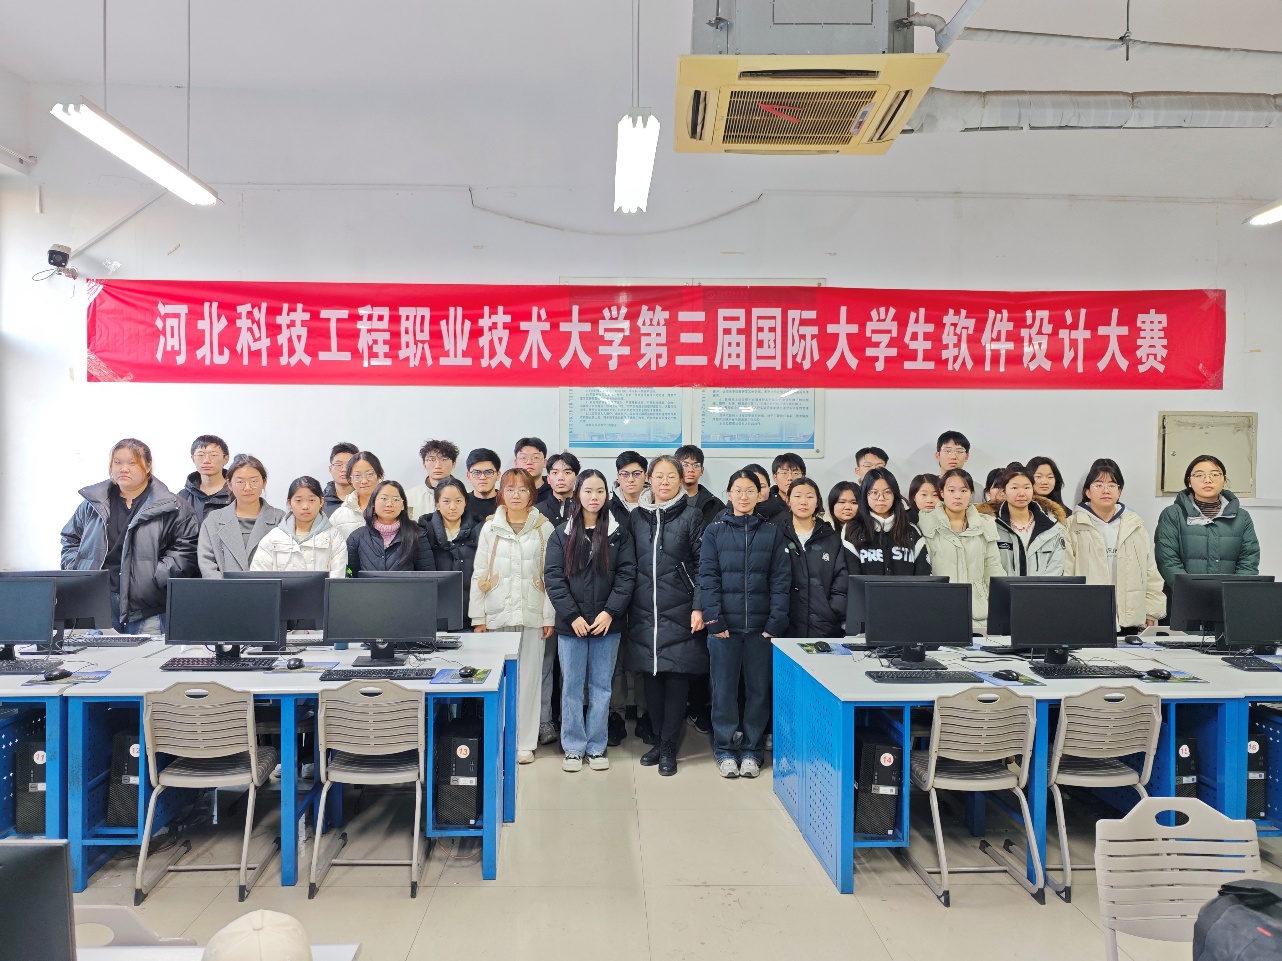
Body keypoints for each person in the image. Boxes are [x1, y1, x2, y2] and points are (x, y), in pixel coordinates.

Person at [544, 469, 637, 772]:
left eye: (599, 491)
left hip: (607, 624)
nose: (594, 497)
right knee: (571, 687)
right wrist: (572, 615)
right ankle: (573, 747)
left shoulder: (619, 534)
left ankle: (596, 747)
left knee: (601, 687)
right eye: (588, 491)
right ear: (577, 494)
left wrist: (610, 612)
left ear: (607, 495)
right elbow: (553, 579)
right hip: (571, 626)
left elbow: (627, 577)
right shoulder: (561, 534)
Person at [700, 469, 791, 779]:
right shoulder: (714, 532)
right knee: (723, 692)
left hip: (761, 630)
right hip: (723, 629)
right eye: (737, 490)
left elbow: (781, 580)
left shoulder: (772, 532)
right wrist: (714, 619)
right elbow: (707, 578)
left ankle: (752, 750)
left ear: (759, 495)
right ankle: (725, 749)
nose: (743, 496)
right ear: (729, 494)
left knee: (758, 692)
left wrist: (775, 622)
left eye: (750, 490)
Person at [60, 438, 199, 634]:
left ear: (148, 466)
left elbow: (187, 550)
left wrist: (155, 576)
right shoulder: (93, 504)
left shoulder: (173, 506)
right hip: (99, 606)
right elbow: (70, 539)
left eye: (132, 463)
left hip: (148, 607)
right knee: (97, 654)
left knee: (148, 654)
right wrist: (78, 568)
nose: (123, 469)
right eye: (117, 462)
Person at [626, 455, 706, 777]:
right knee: (651, 678)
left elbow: (703, 565)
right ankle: (660, 740)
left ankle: (670, 745)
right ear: (649, 478)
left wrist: (699, 606)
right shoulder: (636, 517)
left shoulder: (692, 515)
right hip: (645, 610)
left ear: (680, 479)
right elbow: (627, 564)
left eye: (671, 476)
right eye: (658, 476)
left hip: (681, 609)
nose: (664, 482)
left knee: (676, 678)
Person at [470, 469, 556, 764]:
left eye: (522, 489)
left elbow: (551, 576)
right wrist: (478, 617)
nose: (516, 495)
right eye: (510, 489)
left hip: (533, 613)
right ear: (501, 493)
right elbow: (479, 573)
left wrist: (549, 617)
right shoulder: (490, 528)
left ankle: (525, 743)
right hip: (498, 612)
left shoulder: (544, 527)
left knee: (530, 680)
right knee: (499, 680)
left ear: (532, 493)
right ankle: (501, 739)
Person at [1064, 459, 1165, 631]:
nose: (1106, 490)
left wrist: (1152, 611)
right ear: (1087, 492)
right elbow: (1066, 574)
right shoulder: (1072, 526)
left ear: (1119, 491)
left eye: (1112, 485)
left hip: (1131, 619)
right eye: (1099, 485)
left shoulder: (1135, 526)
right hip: (1086, 618)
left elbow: (1150, 572)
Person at [1155, 454, 1261, 591]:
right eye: (1199, 475)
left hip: (1230, 596)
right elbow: (1167, 559)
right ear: (1189, 481)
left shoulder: (1241, 516)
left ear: (1224, 480)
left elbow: (1249, 558)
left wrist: (1234, 591)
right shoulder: (1173, 514)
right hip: (1184, 596)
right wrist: (1190, 590)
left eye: (1215, 474)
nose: (1207, 480)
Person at [916, 468, 1003, 632]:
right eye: (951, 490)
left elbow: (993, 568)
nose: (958, 496)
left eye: (964, 490)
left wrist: (999, 608)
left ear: (971, 493)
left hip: (978, 613)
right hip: (938, 611)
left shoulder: (985, 524)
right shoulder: (925, 523)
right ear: (942, 492)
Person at [607, 450, 648, 746]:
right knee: (616, 661)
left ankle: (647, 715)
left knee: (645, 657)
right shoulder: (607, 508)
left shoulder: (655, 505)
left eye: (636, 473)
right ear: (617, 477)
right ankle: (615, 716)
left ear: (645, 476)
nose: (630, 479)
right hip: (615, 592)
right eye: (625, 474)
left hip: (649, 593)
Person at [779, 478, 848, 639]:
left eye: (809, 496)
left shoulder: (831, 538)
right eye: (797, 496)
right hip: (785, 626)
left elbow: (841, 581)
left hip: (824, 626)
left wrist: (831, 611)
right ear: (788, 500)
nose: (803, 501)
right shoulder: (778, 536)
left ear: (817, 502)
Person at [197, 454, 286, 577]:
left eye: (254, 481)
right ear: (229, 484)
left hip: (268, 587)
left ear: (264, 482)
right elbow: (206, 563)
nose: (247, 487)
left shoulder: (280, 519)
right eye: (240, 482)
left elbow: (286, 562)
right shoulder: (214, 520)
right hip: (224, 588)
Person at [977, 465, 1069, 576]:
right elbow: (990, 567)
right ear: (1004, 492)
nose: (1021, 493)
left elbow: (1056, 569)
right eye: (1014, 488)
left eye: (1026, 487)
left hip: (1044, 587)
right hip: (1003, 587)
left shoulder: (1052, 529)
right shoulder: (992, 527)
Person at [250, 476, 348, 577]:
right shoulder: (273, 538)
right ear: (290, 503)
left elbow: (337, 578)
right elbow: (259, 577)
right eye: (298, 500)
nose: (305, 506)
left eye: (311, 500)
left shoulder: (334, 537)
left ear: (321, 502)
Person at [842, 468, 931, 576]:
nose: (881, 498)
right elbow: (852, 577)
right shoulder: (852, 530)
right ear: (865, 495)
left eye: (887, 492)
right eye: (874, 493)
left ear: (895, 495)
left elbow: (923, 576)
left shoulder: (911, 531)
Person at [345, 480, 434, 575]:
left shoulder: (417, 534)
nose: (389, 504)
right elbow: (350, 572)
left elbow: (428, 575)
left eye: (396, 499)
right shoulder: (356, 538)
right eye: (383, 498)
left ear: (403, 506)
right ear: (373, 503)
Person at [418, 478, 481, 591]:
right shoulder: (424, 532)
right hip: (436, 595)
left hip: (471, 597)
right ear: (437, 503)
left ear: (465, 502)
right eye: (446, 501)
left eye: (458, 501)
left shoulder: (479, 529)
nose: (453, 507)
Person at [328, 451, 384, 540]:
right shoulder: (339, 516)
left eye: (369, 474)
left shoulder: (392, 507)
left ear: (379, 474)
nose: (364, 481)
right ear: (350, 479)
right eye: (357, 476)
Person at [176, 434, 231, 521]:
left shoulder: (236, 493)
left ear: (226, 459)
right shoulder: (183, 497)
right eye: (200, 455)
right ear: (193, 459)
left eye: (213, 455)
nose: (206, 461)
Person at [406, 439, 459, 521]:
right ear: (424, 464)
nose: (437, 466)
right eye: (431, 460)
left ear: (454, 463)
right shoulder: (409, 497)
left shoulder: (466, 495)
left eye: (444, 459)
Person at [675, 444, 725, 526]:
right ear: (676, 468)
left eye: (696, 465)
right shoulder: (667, 501)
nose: (691, 469)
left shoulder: (715, 505)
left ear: (702, 470)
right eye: (685, 465)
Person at [537, 452, 581, 526]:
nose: (560, 478)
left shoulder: (584, 508)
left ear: (577, 478)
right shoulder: (537, 511)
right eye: (555, 473)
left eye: (567, 473)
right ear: (548, 479)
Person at [759, 453, 805, 522]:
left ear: (803, 476)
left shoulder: (810, 500)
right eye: (784, 473)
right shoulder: (766, 502)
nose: (790, 478)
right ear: (775, 477)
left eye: (795, 473)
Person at [464, 447, 501, 523]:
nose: (482, 477)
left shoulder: (508, 502)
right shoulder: (461, 503)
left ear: (498, 475)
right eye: (476, 473)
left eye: (488, 472)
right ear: (468, 476)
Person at [322, 442, 358, 516]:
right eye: (338, 465)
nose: (344, 469)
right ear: (330, 469)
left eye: (349, 465)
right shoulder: (319, 501)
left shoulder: (367, 499)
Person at [514, 437, 554, 505]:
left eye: (536, 457)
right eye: (523, 458)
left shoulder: (554, 490)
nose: (529, 462)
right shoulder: (509, 491)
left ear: (545, 462)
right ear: (516, 463)